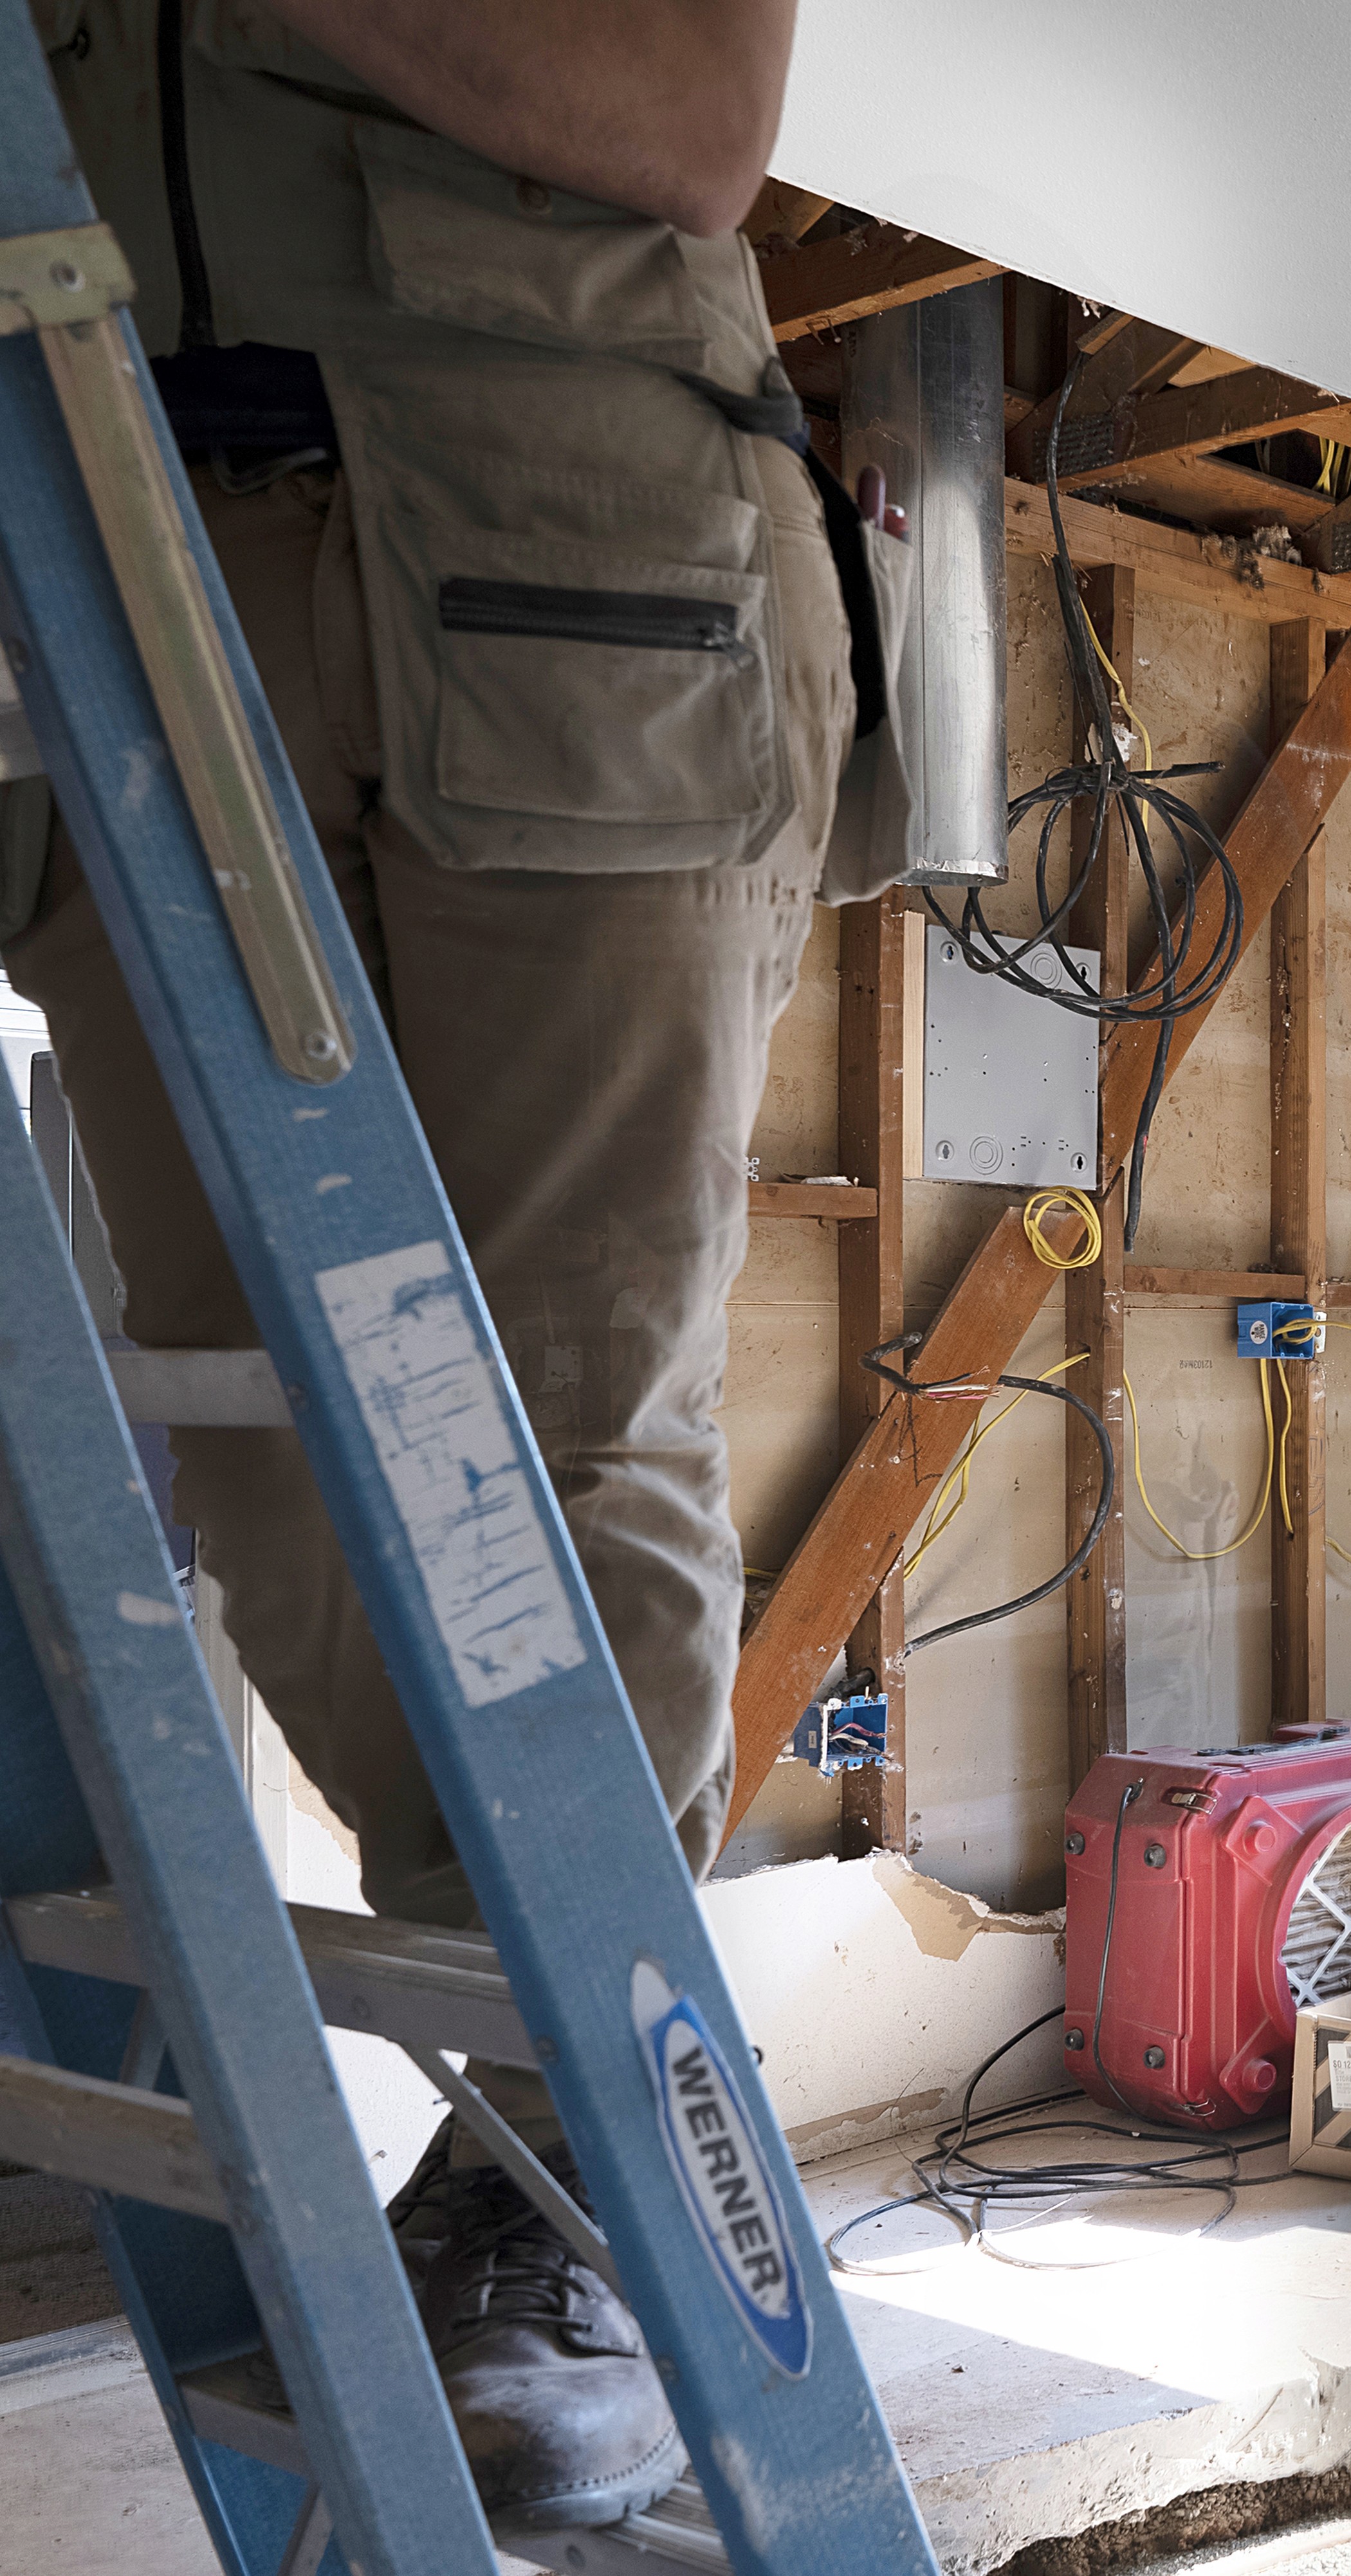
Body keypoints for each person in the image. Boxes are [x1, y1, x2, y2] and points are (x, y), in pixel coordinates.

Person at [9, 0, 879, 2528]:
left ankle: (577, 2171)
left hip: (563, 555)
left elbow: (695, 125)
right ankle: (536, 2113)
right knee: (270, 1437)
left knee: (555, 1409)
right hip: (126, 569)